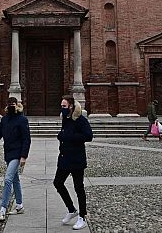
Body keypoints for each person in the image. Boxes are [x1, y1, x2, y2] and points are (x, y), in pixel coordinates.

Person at [0, 97, 31, 222]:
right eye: (9, 104)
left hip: (17, 154)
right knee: (15, 180)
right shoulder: (5, 119)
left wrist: (23, 156)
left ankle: (3, 209)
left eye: (13, 104)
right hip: (8, 153)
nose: (11, 106)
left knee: (8, 178)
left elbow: (27, 139)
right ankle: (19, 205)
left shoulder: (22, 120)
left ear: (17, 105)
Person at [54, 95, 92, 231]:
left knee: (78, 188)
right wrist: (61, 135)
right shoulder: (66, 119)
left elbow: (89, 136)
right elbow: (65, 133)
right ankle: (71, 209)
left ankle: (82, 216)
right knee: (57, 183)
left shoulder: (80, 119)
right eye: (61, 106)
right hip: (64, 157)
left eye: (64, 106)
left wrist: (68, 137)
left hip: (77, 159)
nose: (62, 109)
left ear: (71, 106)